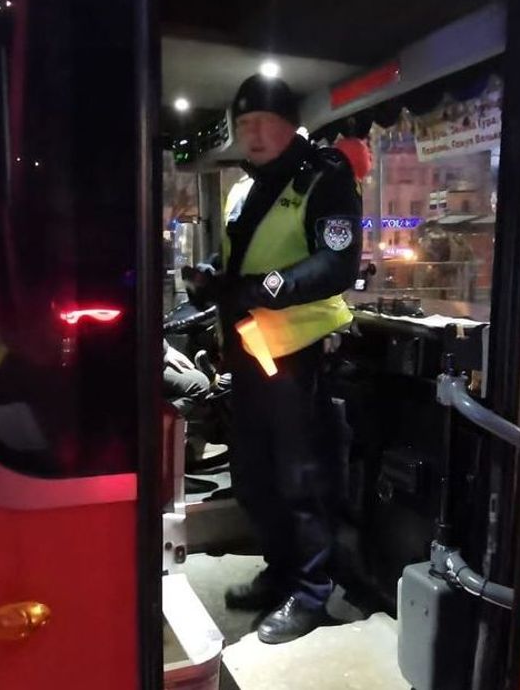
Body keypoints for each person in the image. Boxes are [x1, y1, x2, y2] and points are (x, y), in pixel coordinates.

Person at [185, 74, 361, 644]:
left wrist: (263, 289)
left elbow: (336, 263)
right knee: (255, 479)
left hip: (301, 354)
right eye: (243, 125)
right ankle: (281, 572)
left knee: (302, 480)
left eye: (262, 122)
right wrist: (214, 276)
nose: (251, 135)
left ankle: (312, 595)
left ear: (290, 125)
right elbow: (240, 254)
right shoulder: (243, 190)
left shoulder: (325, 178)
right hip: (251, 354)